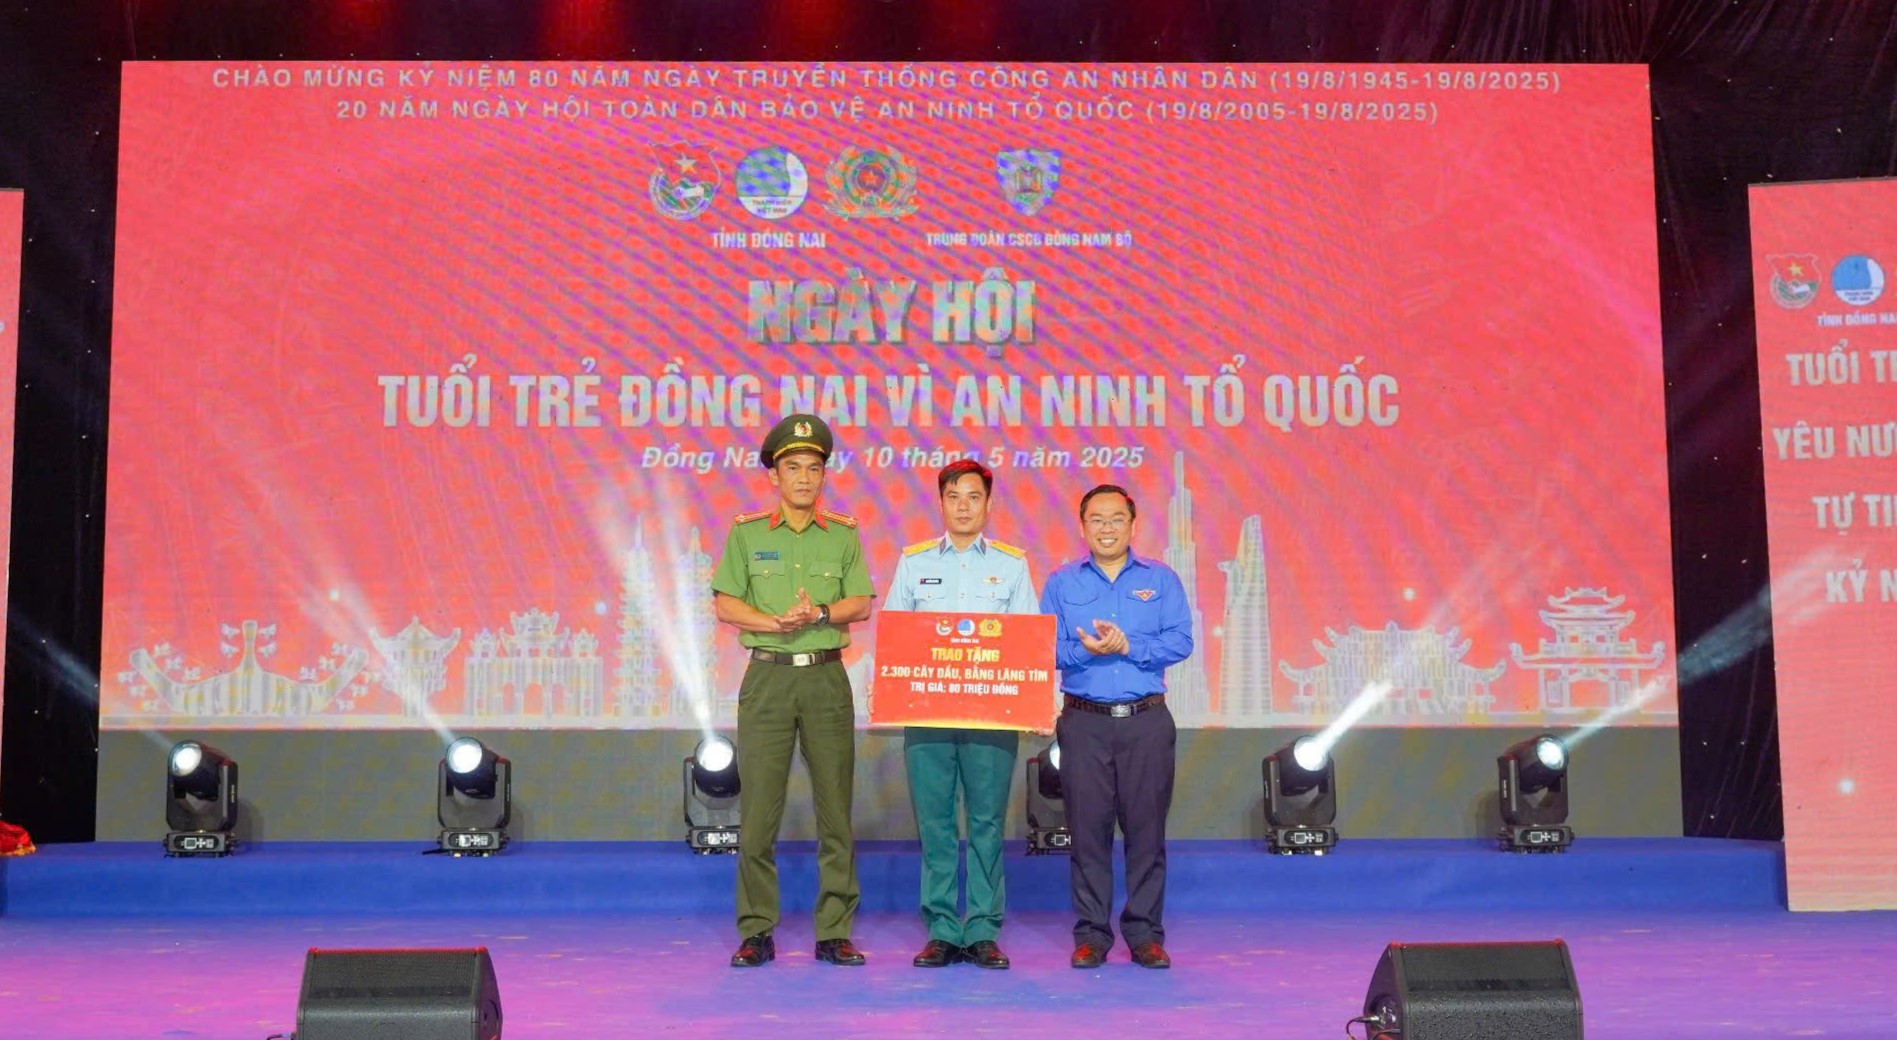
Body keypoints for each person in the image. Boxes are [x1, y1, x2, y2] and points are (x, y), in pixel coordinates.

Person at [711, 414, 875, 967]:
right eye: (793, 467)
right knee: (759, 812)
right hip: (769, 677)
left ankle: (834, 931)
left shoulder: (844, 534)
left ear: (824, 476)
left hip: (826, 677)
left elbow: (861, 602)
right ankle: (757, 929)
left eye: (813, 468)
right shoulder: (748, 533)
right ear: (774, 476)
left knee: (835, 811)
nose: (804, 477)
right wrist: (772, 622)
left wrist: (820, 612)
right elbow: (725, 603)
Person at [885, 459, 1040, 970]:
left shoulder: (1012, 566)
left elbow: (1026, 642)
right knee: (935, 823)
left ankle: (982, 929)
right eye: (954, 497)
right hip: (927, 714)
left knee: (986, 822)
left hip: (990, 717)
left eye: (974, 497)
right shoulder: (913, 563)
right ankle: (942, 929)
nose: (964, 506)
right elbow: (895, 637)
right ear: (941, 503)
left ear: (988, 505)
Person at [1038, 484, 1193, 970]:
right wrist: (1083, 650)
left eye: (1116, 519)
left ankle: (1145, 935)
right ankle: (1091, 935)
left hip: (1146, 721)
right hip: (1084, 723)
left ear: (1132, 524)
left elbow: (1181, 640)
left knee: (1147, 833)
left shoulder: (1161, 579)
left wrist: (1131, 647)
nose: (1107, 528)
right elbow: (1043, 648)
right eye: (1097, 519)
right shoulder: (1062, 583)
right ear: (1083, 526)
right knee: (1088, 833)